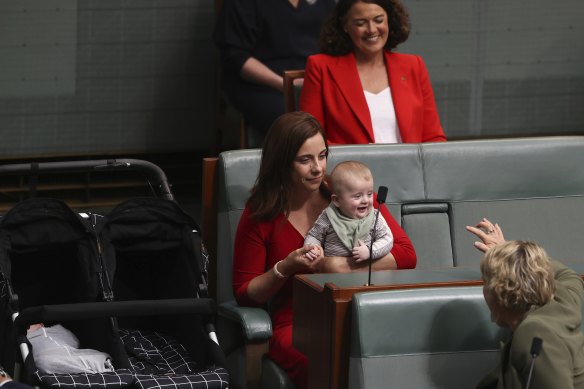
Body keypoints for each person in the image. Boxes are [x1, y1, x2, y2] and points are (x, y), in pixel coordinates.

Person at [232, 111, 416, 388]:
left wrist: (337, 266)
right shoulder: (260, 214)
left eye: (322, 155)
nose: (318, 168)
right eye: (305, 160)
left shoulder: (351, 194)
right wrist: (285, 267)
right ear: (282, 163)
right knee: (325, 359)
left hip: (363, 309)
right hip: (298, 321)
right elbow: (246, 293)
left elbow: (406, 255)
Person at [299, 0, 447, 144]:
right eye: (360, 23)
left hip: (409, 167)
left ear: (388, 19)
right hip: (348, 167)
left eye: (378, 20)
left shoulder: (413, 65)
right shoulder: (320, 67)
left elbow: (433, 138)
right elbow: (312, 141)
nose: (371, 29)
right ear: (345, 25)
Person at [467, 221, 584, 388]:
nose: (483, 288)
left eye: (485, 282)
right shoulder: (563, 302)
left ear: (499, 292)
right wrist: (512, 255)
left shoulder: (533, 334)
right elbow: (569, 277)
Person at [214, 0, 336, 143]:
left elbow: (335, 41)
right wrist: (285, 84)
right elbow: (235, 56)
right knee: (295, 123)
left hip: (314, 78)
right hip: (262, 84)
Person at [304, 160, 393, 262]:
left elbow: (387, 239)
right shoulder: (329, 216)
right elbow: (314, 236)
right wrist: (312, 248)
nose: (365, 200)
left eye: (369, 194)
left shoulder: (374, 217)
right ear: (337, 200)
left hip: (365, 273)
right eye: (357, 196)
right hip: (331, 275)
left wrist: (370, 251)